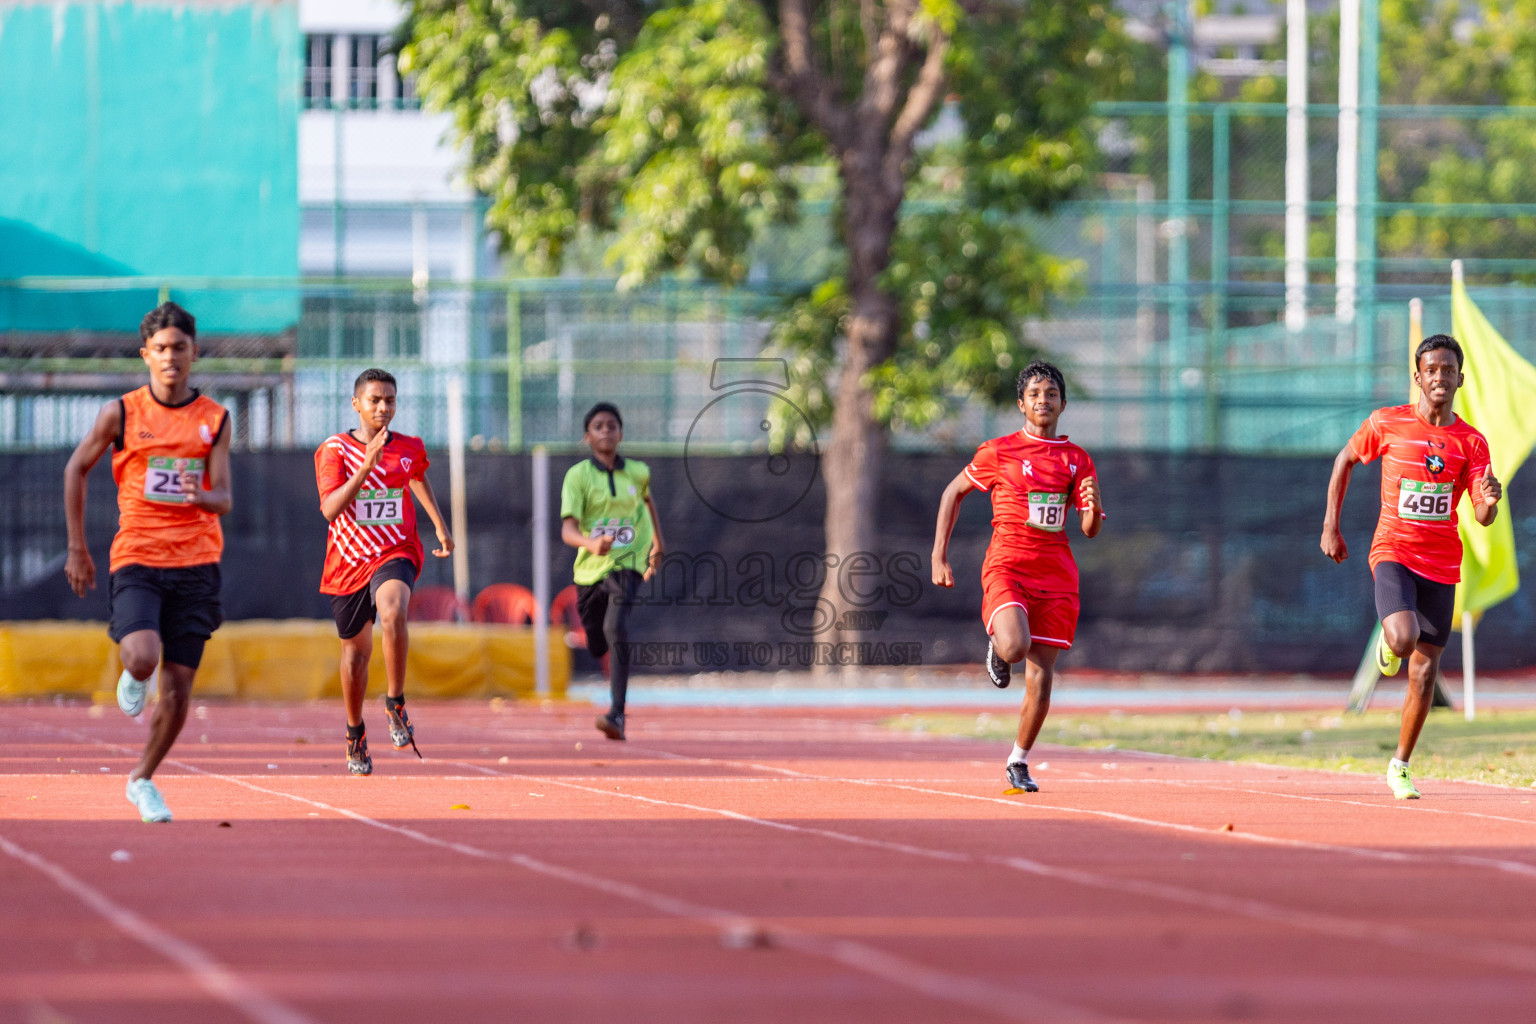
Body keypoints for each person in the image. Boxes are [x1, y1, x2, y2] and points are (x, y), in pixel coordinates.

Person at [63, 302, 232, 823]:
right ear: (146, 355)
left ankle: (142, 779)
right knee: (141, 657)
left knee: (180, 692)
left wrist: (199, 496)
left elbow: (224, 495)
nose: (170, 357)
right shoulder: (122, 413)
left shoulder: (215, 419)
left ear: (193, 353)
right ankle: (135, 675)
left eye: (180, 348)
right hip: (138, 554)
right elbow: (77, 468)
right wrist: (77, 548)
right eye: (160, 349)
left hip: (198, 561)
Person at [1321, 334, 1501, 800]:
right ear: (1417, 377)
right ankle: (1389, 637)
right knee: (1401, 640)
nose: (1440, 377)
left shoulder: (1471, 443)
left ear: (1461, 379)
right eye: (1431, 369)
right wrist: (1331, 527)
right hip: (1394, 553)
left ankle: (1400, 765)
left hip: (1442, 564)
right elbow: (1344, 460)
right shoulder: (1388, 423)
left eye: (1448, 370)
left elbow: (1482, 516)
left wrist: (1490, 501)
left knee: (1423, 674)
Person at [932, 361, 1104, 795]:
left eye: (1051, 394)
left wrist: (1091, 505)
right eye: (1034, 394)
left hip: (1057, 573)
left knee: (1042, 676)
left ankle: (1018, 761)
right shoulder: (999, 451)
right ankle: (997, 643)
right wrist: (939, 555)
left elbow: (1088, 529)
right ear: (1021, 404)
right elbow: (953, 492)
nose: (1043, 400)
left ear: (1063, 403)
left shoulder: (1077, 459)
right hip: (1009, 564)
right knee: (1014, 646)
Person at [315, 369, 453, 775]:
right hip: (347, 563)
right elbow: (329, 509)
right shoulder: (334, 450)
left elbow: (417, 478)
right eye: (374, 400)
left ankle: (395, 704)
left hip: (396, 551)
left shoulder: (409, 446)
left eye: (390, 400)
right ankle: (354, 732)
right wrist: (365, 466)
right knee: (356, 656)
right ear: (356, 403)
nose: (383, 408)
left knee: (393, 612)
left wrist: (441, 527)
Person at [560, 402, 665, 741]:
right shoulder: (578, 476)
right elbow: (568, 529)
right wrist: (590, 544)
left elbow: (648, 503)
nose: (606, 431)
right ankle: (597, 641)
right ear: (587, 436)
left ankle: (616, 714)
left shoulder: (638, 472)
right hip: (590, 568)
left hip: (627, 562)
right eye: (599, 426)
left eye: (612, 425)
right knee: (596, 639)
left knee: (615, 626)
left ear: (621, 433)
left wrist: (658, 543)